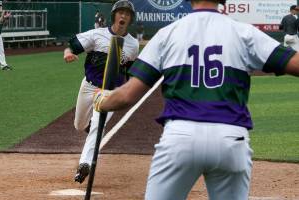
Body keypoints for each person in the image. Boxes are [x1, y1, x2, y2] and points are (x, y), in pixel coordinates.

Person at [93, 0, 299, 199]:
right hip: (231, 138)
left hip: (181, 136)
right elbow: (294, 63)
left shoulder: (167, 34)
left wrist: (102, 100)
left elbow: (128, 95)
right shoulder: (244, 32)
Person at [63, 0, 139, 184]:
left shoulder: (133, 45)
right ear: (114, 15)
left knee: (98, 125)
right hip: (89, 87)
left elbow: (129, 71)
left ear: (131, 19)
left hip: (111, 92)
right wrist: (67, 53)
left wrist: (124, 93)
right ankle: (91, 132)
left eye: (127, 14)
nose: (123, 16)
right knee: (80, 125)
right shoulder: (97, 35)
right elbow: (72, 45)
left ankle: (84, 164)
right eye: (120, 12)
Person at [0, 0, 11, 71]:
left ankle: (3, 65)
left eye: (0, 6)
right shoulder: (1, 13)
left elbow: (5, 24)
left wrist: (7, 18)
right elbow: (0, 20)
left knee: (1, 51)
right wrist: (3, 15)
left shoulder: (1, 13)